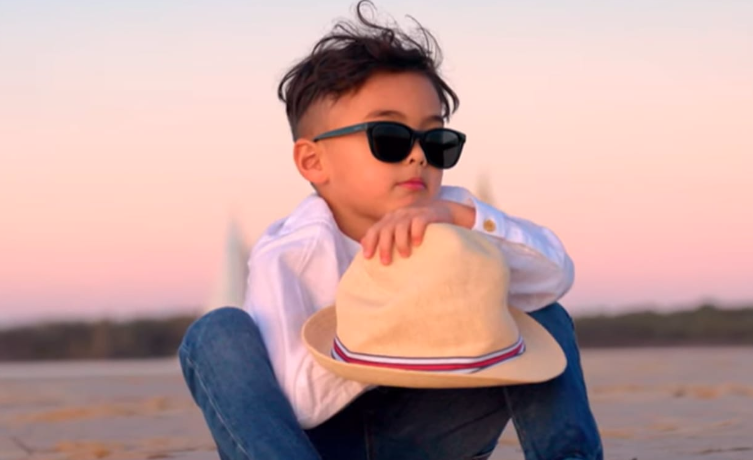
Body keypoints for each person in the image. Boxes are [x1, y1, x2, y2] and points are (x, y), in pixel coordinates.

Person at [178, 2, 603, 459]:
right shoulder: (292, 251)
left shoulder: (450, 222)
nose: (418, 155)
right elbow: (298, 402)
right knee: (216, 333)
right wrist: (399, 321)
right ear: (313, 161)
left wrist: (462, 218)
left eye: (436, 141)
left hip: (425, 432)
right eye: (390, 138)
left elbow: (554, 276)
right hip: (313, 445)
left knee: (540, 314)